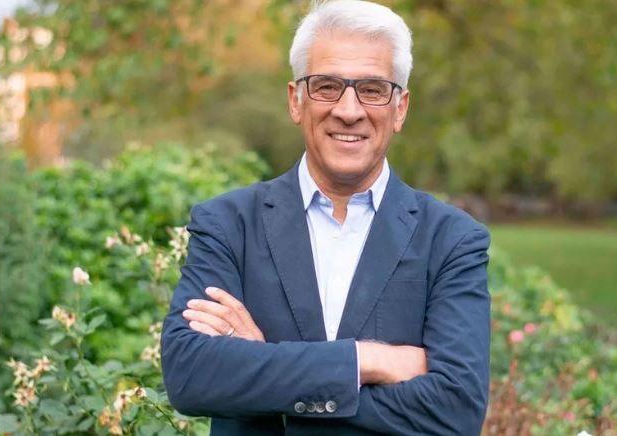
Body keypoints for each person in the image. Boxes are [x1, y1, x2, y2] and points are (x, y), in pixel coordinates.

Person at [161, 1, 491, 434]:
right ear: (296, 100)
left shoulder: (451, 241)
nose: (349, 110)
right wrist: (367, 360)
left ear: (400, 108)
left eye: (372, 89)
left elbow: (457, 410)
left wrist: (269, 378)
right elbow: (191, 375)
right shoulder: (228, 225)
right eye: (327, 86)